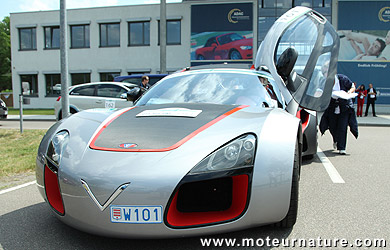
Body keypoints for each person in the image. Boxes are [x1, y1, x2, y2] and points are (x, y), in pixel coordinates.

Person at [319, 74, 358, 155]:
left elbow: (352, 87)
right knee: (332, 126)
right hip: (332, 107)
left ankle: (342, 148)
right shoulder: (324, 81)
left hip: (344, 106)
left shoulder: (343, 79)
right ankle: (336, 140)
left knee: (342, 127)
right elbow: (320, 90)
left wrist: (348, 92)